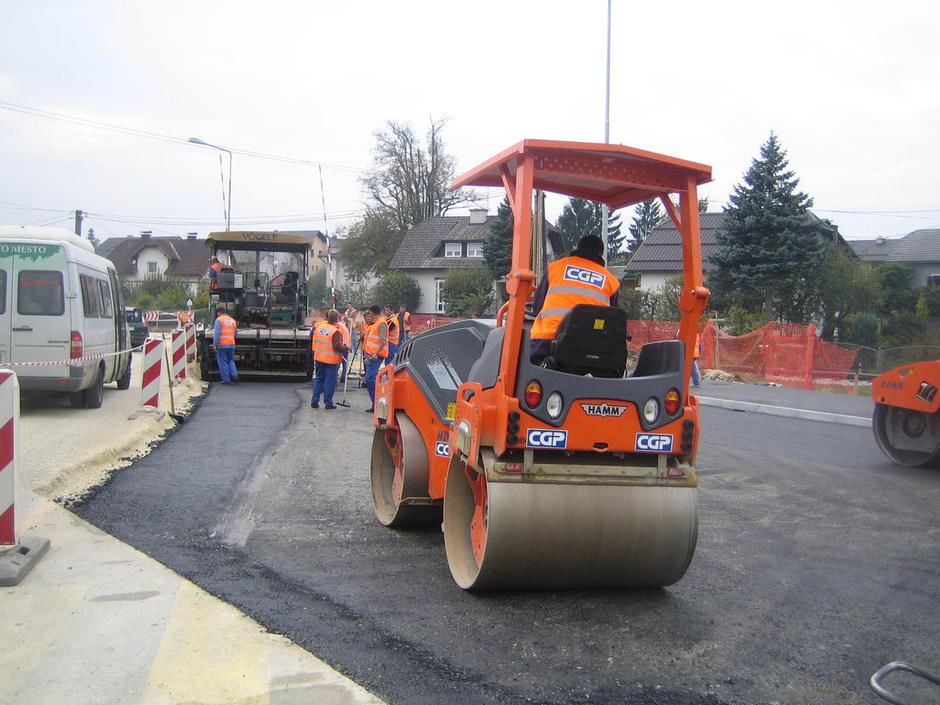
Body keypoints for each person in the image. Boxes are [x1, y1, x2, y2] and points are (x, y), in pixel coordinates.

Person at [529, 234, 620, 364]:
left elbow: (537, 307)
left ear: (578, 248)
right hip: (592, 350)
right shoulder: (611, 281)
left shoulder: (555, 268)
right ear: (600, 254)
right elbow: (613, 322)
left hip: (546, 343)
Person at [310, 309, 348, 409]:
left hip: (319, 358)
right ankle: (328, 402)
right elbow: (336, 346)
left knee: (318, 379)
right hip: (331, 360)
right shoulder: (335, 331)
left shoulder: (319, 327)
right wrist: (345, 348)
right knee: (329, 381)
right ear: (337, 319)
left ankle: (314, 400)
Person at [362, 305, 388, 412]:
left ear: (372, 313)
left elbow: (382, 341)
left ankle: (377, 403)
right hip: (372, 355)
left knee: (370, 379)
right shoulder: (377, 323)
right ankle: (376, 403)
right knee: (369, 379)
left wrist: (375, 354)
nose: (369, 315)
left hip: (375, 356)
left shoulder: (381, 323)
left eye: (370, 313)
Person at [213, 308, 239, 384]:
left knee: (222, 362)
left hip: (222, 345)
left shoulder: (219, 320)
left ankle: (226, 380)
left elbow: (217, 334)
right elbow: (236, 334)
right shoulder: (233, 320)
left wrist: (215, 344)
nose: (216, 315)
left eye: (217, 313)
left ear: (219, 312)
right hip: (231, 344)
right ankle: (234, 375)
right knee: (231, 360)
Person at [336, 315, 351, 384]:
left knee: (337, 363)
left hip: (342, 347)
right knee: (344, 363)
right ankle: (344, 377)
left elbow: (338, 336)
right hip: (346, 346)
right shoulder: (343, 326)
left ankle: (334, 378)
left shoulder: (338, 326)